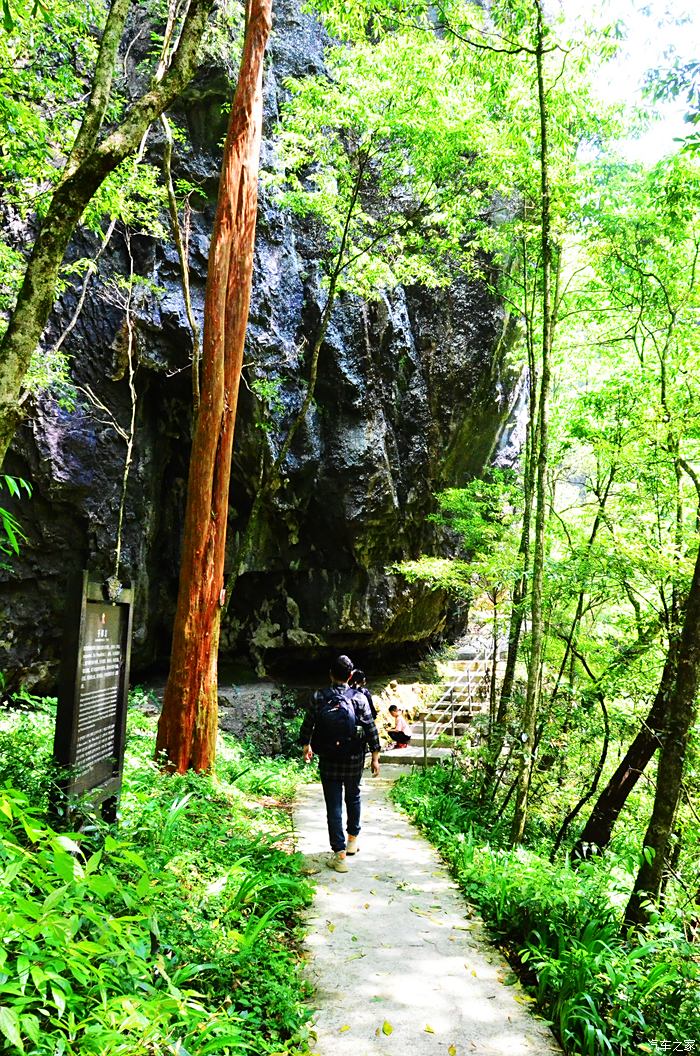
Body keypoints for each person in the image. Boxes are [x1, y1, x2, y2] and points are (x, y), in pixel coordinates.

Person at [300, 654, 381, 872]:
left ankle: (339, 855)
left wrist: (306, 746)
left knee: (333, 805)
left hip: (329, 759)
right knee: (353, 796)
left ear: (330, 674)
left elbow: (308, 724)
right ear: (351, 675)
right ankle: (352, 840)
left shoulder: (320, 696)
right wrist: (375, 755)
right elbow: (370, 727)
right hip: (354, 758)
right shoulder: (359, 698)